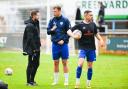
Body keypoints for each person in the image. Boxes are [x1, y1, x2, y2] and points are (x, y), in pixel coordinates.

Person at [67, 10, 104, 88]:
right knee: (80, 63)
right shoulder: (80, 25)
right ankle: (77, 83)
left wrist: (101, 40)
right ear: (86, 16)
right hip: (83, 48)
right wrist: (74, 36)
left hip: (91, 49)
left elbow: (96, 34)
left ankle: (88, 83)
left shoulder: (93, 24)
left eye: (92, 15)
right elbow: (68, 31)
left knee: (90, 66)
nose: (92, 16)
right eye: (90, 15)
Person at [47, 5, 71, 86]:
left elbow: (69, 32)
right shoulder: (51, 20)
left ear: (59, 11)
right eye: (53, 11)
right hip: (55, 45)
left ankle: (66, 80)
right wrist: (51, 29)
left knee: (64, 62)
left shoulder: (65, 20)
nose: (54, 12)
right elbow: (48, 31)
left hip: (64, 45)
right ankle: (55, 81)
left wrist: (63, 40)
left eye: (55, 11)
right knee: (55, 62)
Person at [23, 10, 41, 86]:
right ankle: (28, 82)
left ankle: (32, 80)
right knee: (30, 64)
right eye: (38, 15)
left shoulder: (36, 22)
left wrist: (38, 45)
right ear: (33, 15)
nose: (39, 16)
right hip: (32, 47)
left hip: (37, 47)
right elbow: (30, 38)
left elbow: (36, 35)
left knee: (36, 64)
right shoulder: (29, 25)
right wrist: (34, 49)